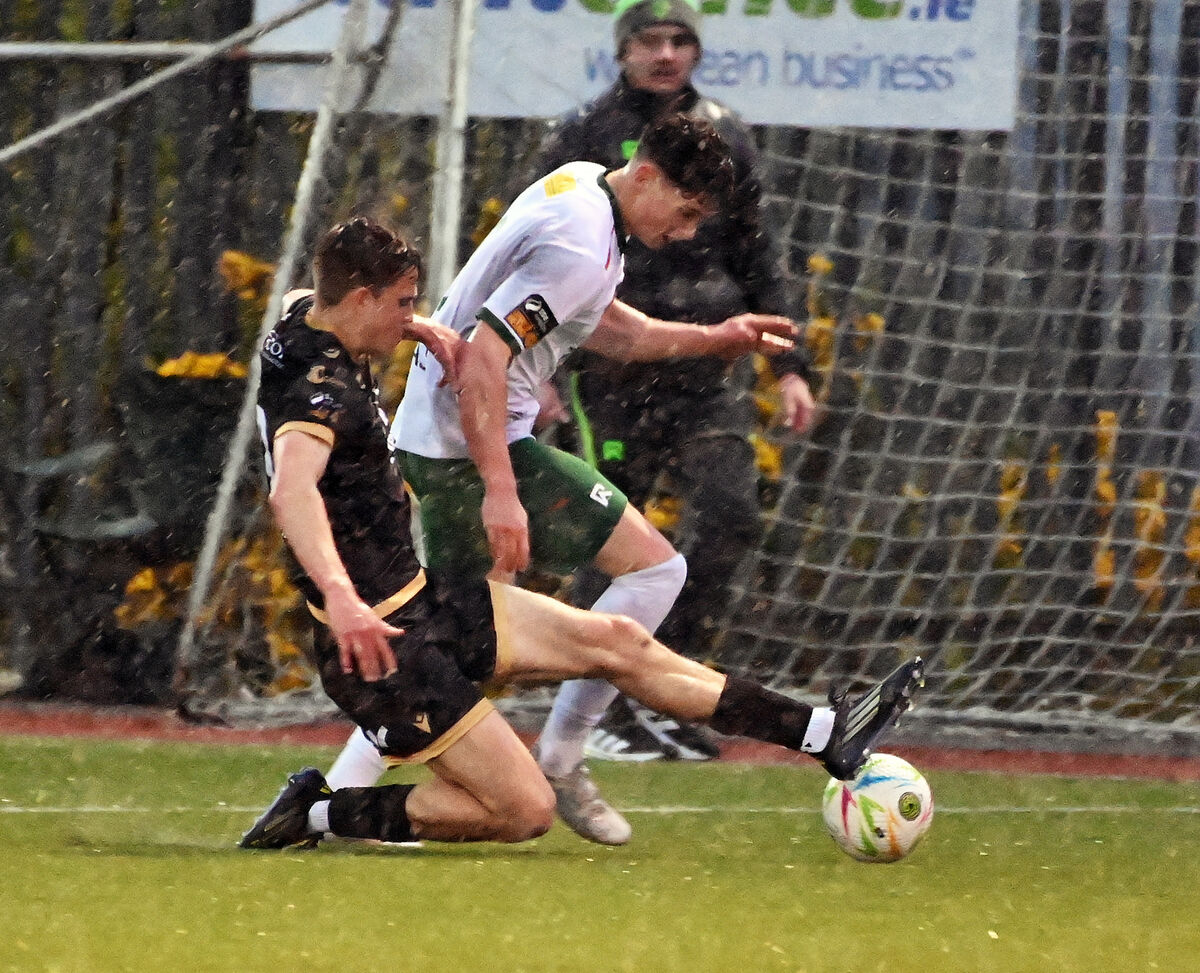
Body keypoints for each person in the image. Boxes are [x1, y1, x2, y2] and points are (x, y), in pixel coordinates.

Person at [239, 215, 923, 851]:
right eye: (400, 303)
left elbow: (308, 293)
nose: (410, 315)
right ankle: (320, 810)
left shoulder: (304, 319)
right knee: (523, 811)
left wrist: (420, 330)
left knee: (618, 641)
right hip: (382, 645)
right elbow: (292, 490)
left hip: (420, 600)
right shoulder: (317, 388)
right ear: (359, 299)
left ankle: (824, 733)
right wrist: (342, 596)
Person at [529, 0, 818, 768]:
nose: (665, 54)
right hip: (612, 370)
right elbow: (541, 267)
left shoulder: (726, 132)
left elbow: (760, 254)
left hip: (704, 367)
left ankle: (658, 686)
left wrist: (790, 364)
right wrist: (544, 369)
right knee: (609, 535)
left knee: (729, 516)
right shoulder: (583, 139)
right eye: (649, 41)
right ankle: (587, 711)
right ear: (622, 52)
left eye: (680, 40)